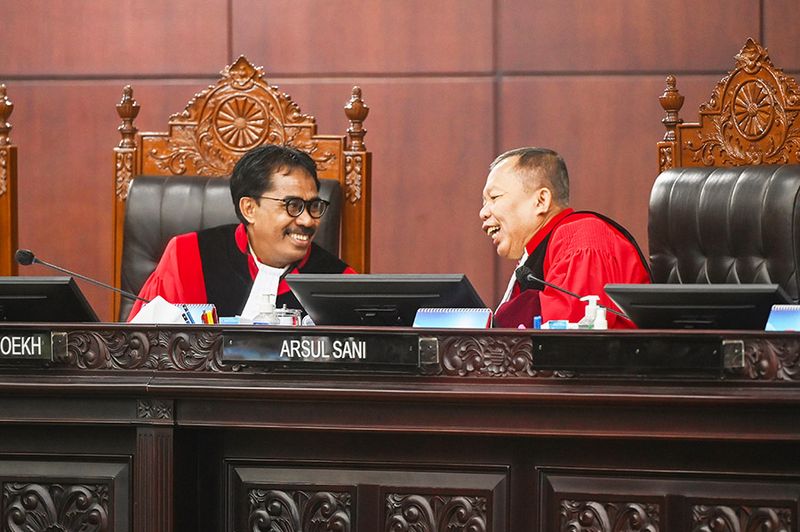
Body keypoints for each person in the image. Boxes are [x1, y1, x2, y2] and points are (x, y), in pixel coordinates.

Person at [128, 145, 355, 320]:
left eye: (313, 206)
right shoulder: (187, 256)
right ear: (249, 209)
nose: (307, 220)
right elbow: (142, 347)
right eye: (293, 206)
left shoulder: (339, 282)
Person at [479, 147, 650, 328]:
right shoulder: (536, 254)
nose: (483, 213)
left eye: (494, 197)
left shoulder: (582, 236)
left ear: (541, 201)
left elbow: (568, 330)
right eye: (484, 202)